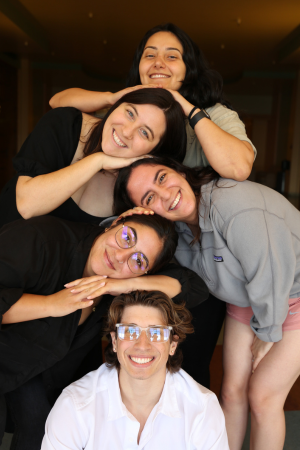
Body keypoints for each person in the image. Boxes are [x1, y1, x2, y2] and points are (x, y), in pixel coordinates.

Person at [49, 22, 257, 387]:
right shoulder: (131, 114)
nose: (159, 62)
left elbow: (238, 166)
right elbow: (57, 103)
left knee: (189, 360)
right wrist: (120, 95)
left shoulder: (213, 114)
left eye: (172, 56)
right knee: (119, 352)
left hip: (198, 258)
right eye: (150, 55)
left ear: (188, 68)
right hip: (132, 253)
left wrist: (183, 105)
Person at [113, 156, 300, 450]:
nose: (166, 194)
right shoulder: (180, 229)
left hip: (291, 296)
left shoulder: (232, 204)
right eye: (150, 197)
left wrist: (268, 332)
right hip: (247, 300)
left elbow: (270, 272)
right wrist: (138, 222)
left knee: (263, 397)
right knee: (230, 393)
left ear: (178, 171)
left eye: (162, 178)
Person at [0, 213, 208, 449]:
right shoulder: (41, 239)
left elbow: (194, 287)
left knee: (37, 421)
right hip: (7, 357)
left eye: (138, 261)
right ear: (115, 222)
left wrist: (122, 284)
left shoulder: (118, 284)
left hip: (31, 370)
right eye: (127, 237)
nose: (120, 256)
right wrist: (52, 304)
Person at [41, 290, 229, 450]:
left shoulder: (202, 409)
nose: (142, 345)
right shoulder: (75, 405)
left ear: (173, 344)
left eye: (156, 333)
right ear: (114, 341)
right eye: (130, 331)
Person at [0, 88, 186, 229]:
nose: (127, 131)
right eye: (129, 113)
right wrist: (98, 161)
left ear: (154, 154)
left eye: (144, 133)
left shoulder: (138, 192)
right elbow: (27, 205)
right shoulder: (64, 124)